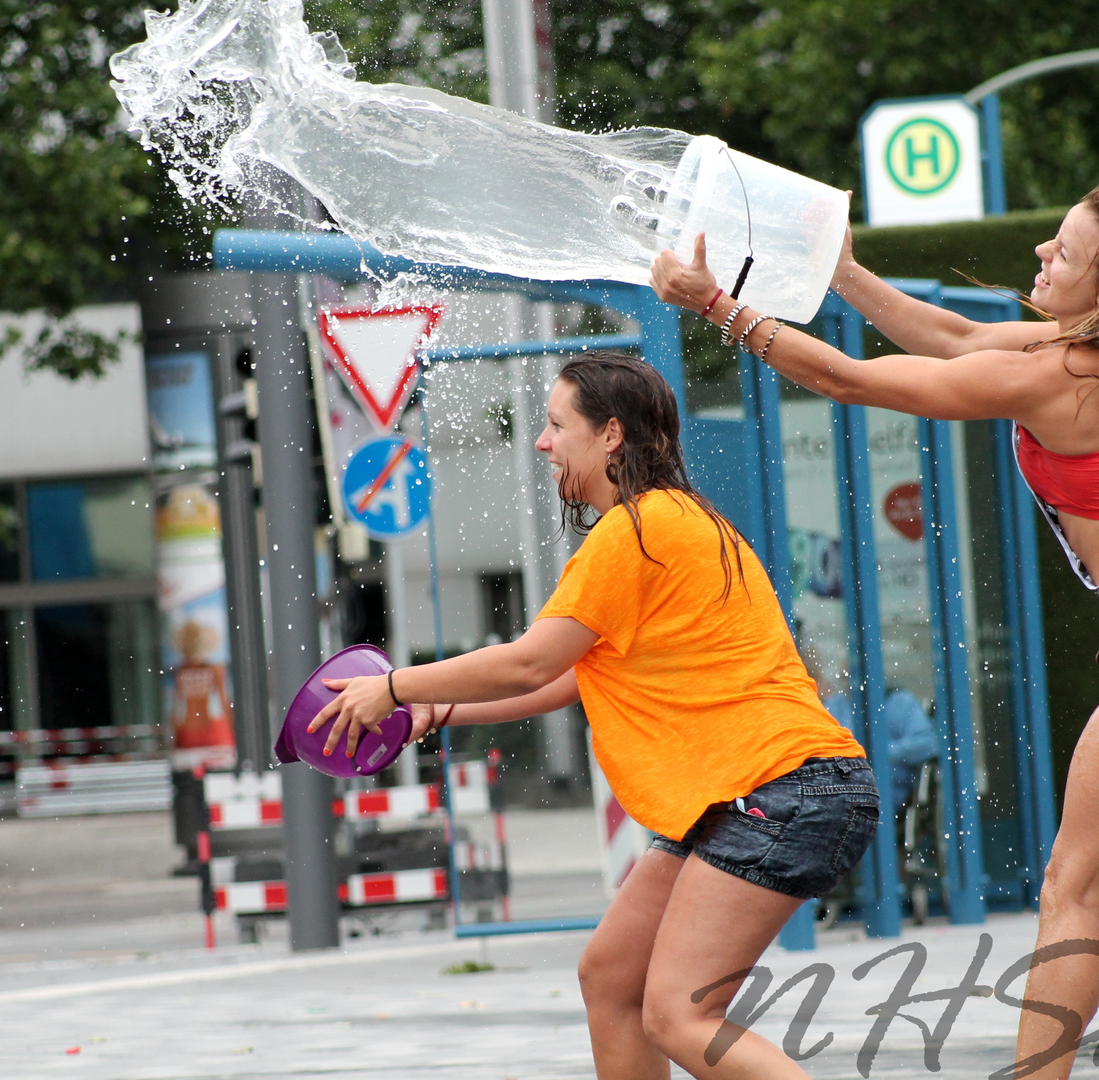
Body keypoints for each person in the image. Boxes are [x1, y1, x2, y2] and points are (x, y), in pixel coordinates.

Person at [649, 158, 1099, 1080]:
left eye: (1061, 250)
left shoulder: (1062, 377)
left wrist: (717, 305)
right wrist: (843, 271)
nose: (1040, 251)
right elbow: (951, 334)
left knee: (1072, 891)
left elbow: (848, 381)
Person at [310, 352, 877, 1080]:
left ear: (611, 436)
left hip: (777, 789)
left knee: (677, 1012)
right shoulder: (675, 523)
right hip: (751, 794)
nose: (542, 442)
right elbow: (571, 675)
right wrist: (434, 708)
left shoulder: (635, 532)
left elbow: (528, 661)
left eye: (555, 425)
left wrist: (391, 687)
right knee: (611, 978)